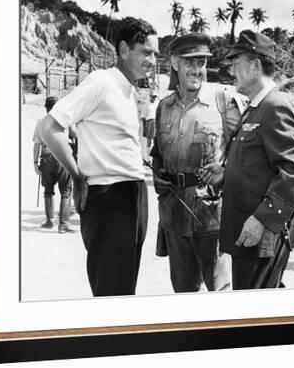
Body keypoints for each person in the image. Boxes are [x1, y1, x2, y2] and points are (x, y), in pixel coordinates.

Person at [38, 17, 159, 297]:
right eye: (146, 52)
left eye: (155, 54)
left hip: (132, 195)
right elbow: (49, 127)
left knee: (124, 289)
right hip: (110, 198)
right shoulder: (102, 81)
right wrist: (78, 177)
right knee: (112, 292)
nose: (152, 60)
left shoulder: (129, 90)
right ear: (124, 49)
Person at [208, 30, 294, 290]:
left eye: (235, 64)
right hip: (245, 232)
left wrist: (262, 218)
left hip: (257, 233)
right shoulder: (255, 108)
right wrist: (225, 174)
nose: (231, 72)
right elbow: (256, 164)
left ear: (254, 66)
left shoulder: (274, 106)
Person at [150, 33, 244, 293]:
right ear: (174, 63)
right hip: (174, 214)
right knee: (183, 291)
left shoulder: (222, 101)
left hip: (212, 214)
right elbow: (158, 151)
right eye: (190, 62)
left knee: (219, 290)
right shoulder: (163, 107)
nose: (197, 69)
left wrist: (226, 172)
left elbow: (246, 149)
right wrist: (158, 173)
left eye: (201, 62)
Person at [32, 96, 73, 233]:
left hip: (46, 157)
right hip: (62, 157)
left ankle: (49, 221)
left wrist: (35, 163)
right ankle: (64, 224)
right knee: (66, 192)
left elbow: (36, 145)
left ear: (46, 108)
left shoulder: (41, 122)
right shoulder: (66, 120)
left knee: (48, 191)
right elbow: (76, 137)